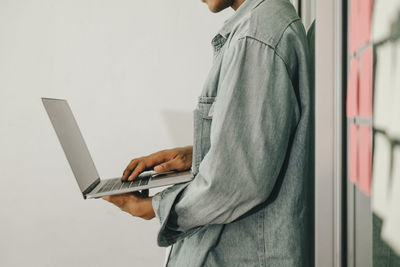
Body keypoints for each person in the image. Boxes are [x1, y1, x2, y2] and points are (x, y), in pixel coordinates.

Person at [103, 0, 314, 266]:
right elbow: (265, 141)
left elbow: (237, 181)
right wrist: (196, 154)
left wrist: (155, 207)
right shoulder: (261, 26)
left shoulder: (256, 37)